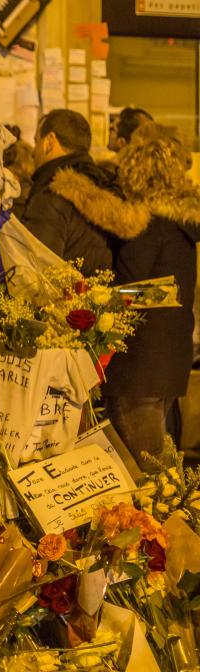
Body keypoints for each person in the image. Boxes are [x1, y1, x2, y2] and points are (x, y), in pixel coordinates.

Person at [105, 122, 200, 464]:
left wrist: (96, 298)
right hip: (169, 359)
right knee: (160, 464)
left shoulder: (148, 223)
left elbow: (130, 288)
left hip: (138, 367)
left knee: (151, 474)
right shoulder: (182, 224)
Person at [22, 109, 149, 274]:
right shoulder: (108, 189)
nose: (33, 152)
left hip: (62, 298)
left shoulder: (51, 197)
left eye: (36, 141)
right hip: (97, 296)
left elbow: (36, 275)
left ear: (49, 142)